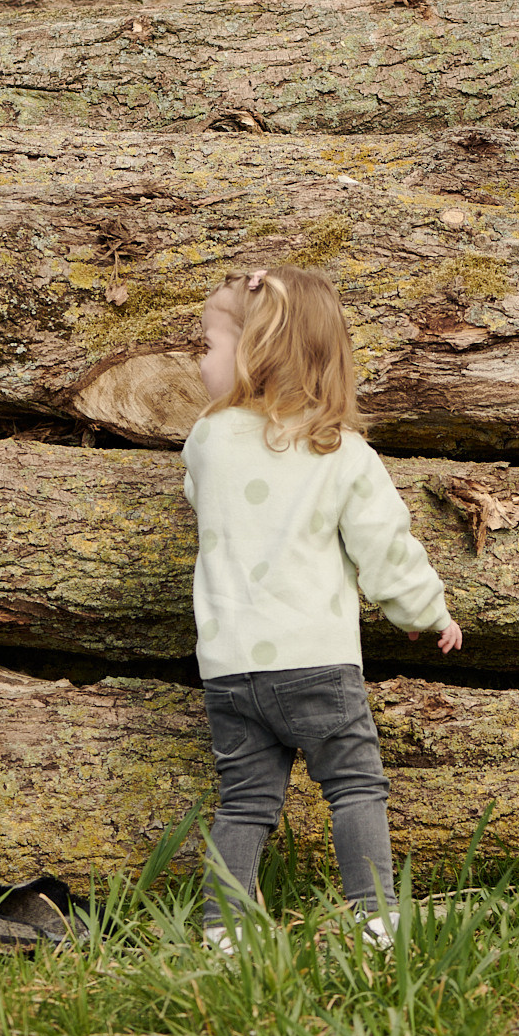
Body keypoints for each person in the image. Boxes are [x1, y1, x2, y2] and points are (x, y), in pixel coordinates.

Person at [183, 264, 462, 948]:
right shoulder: (342, 451)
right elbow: (384, 549)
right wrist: (428, 611)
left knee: (245, 801)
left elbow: (201, 496)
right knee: (355, 787)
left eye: (211, 344)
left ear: (258, 354)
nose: (199, 359)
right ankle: (376, 918)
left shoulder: (208, 441)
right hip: (317, 664)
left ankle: (224, 930)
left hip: (228, 668)